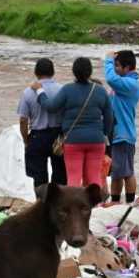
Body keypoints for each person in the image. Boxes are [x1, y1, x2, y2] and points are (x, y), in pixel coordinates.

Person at [32, 57, 113, 191]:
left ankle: (74, 208)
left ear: (74, 72)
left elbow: (50, 107)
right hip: (96, 140)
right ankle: (95, 207)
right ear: (90, 72)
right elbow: (110, 117)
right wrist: (103, 133)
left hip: (73, 141)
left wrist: (40, 91)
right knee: (93, 177)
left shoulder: (67, 90)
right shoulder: (100, 91)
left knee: (74, 178)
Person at [17, 58, 66, 188]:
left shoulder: (28, 92)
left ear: (36, 72)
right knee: (60, 174)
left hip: (37, 136)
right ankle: (58, 204)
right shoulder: (62, 89)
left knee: (39, 176)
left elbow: (23, 120)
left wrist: (26, 139)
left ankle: (42, 204)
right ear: (53, 72)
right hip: (58, 137)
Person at [104, 50, 139, 204]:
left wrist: (108, 60)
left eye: (117, 65)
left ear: (127, 67)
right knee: (117, 173)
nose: (115, 68)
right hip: (117, 134)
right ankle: (116, 202)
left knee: (126, 172)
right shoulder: (124, 83)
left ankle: (130, 204)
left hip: (123, 135)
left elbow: (110, 78)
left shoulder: (130, 84)